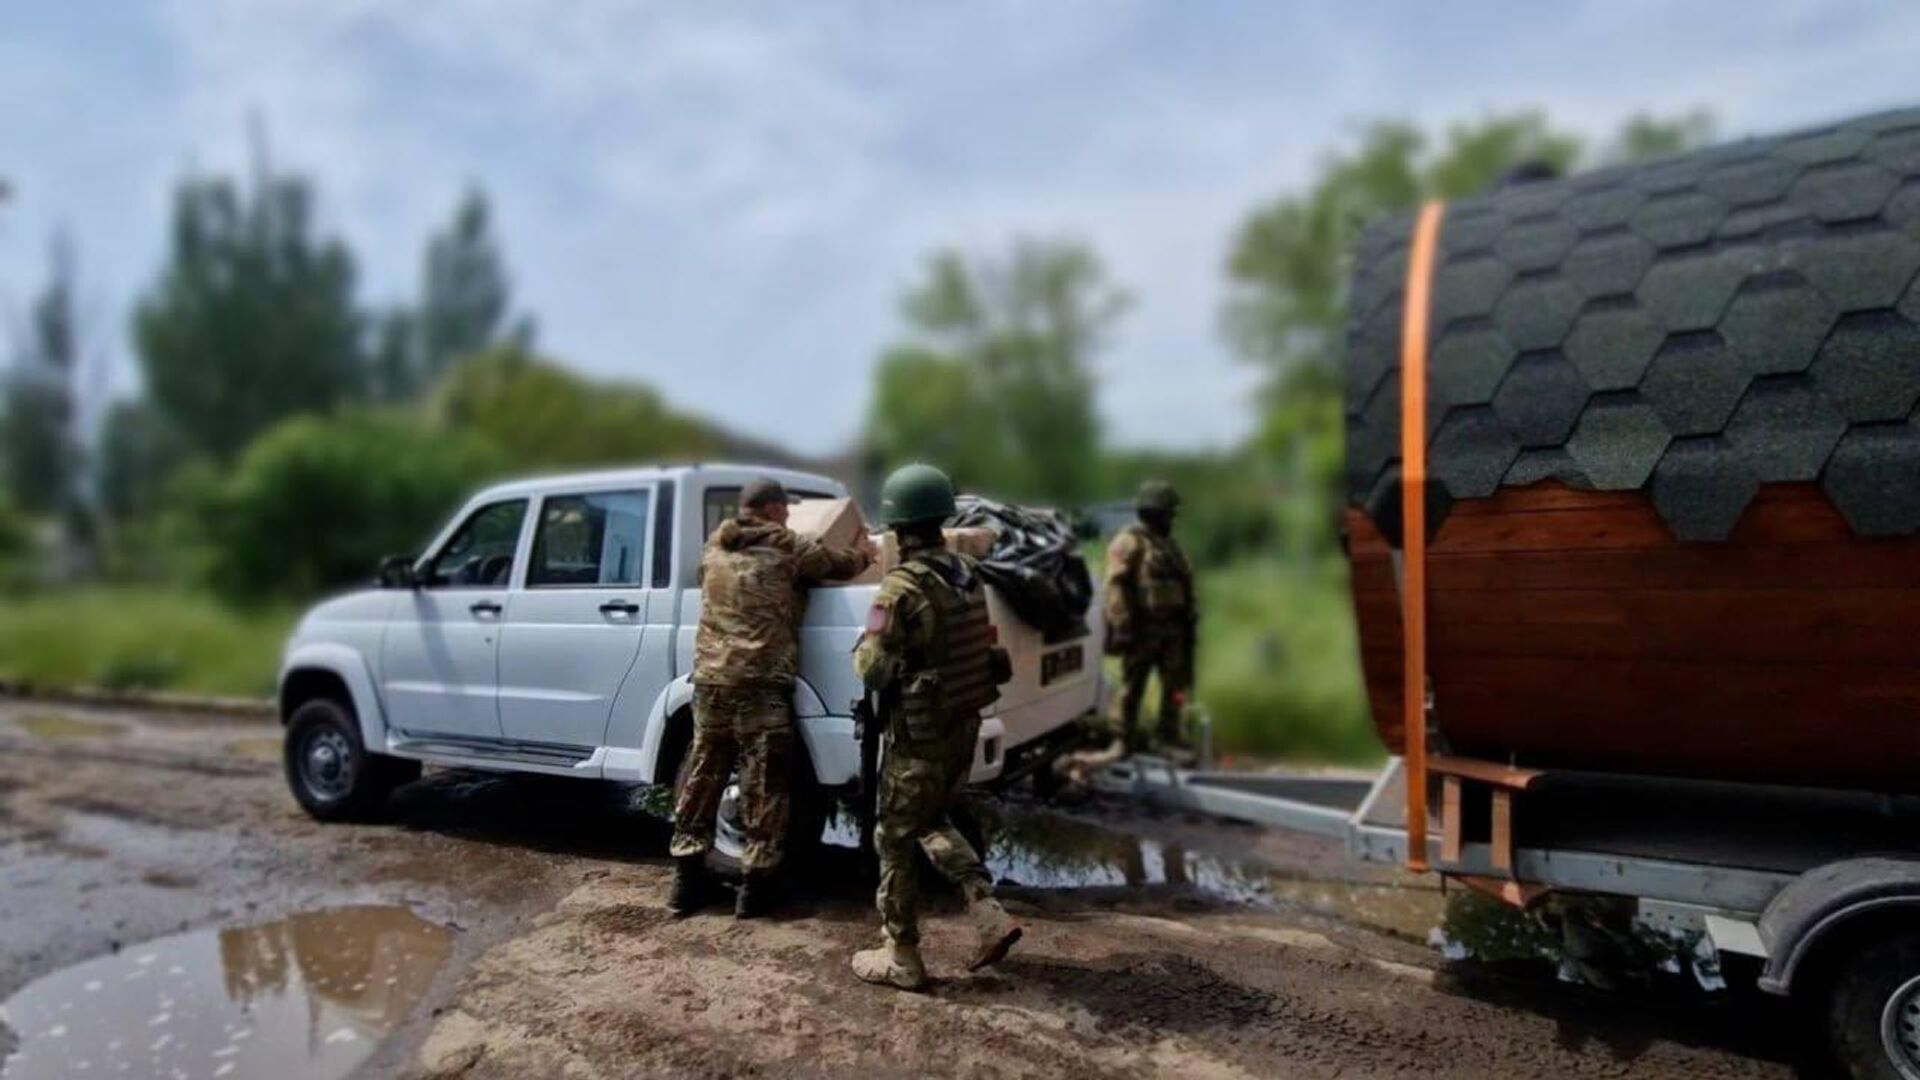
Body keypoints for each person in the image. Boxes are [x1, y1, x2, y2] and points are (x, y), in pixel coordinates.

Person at [849, 463, 1021, 991]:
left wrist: (864, 648)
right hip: (961, 725)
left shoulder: (897, 591)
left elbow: (874, 671)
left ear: (898, 530)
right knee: (932, 819)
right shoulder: (968, 577)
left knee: (895, 836)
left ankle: (901, 957)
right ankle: (986, 911)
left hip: (919, 735)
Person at [669, 476, 874, 918]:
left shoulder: (714, 548)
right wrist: (868, 553)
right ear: (774, 509)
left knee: (704, 774)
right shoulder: (787, 547)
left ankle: (685, 882)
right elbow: (839, 564)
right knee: (764, 782)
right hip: (761, 681)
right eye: (784, 508)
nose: (787, 515)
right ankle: (756, 889)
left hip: (709, 679)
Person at [1102, 479, 1196, 752]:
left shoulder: (1168, 545)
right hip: (1142, 631)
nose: (1172, 519)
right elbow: (1115, 585)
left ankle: (1168, 736)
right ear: (1156, 512)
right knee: (1132, 688)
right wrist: (1122, 625)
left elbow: (1183, 583)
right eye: (1169, 513)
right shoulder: (1129, 541)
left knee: (1174, 687)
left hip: (1173, 630)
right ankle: (1122, 738)